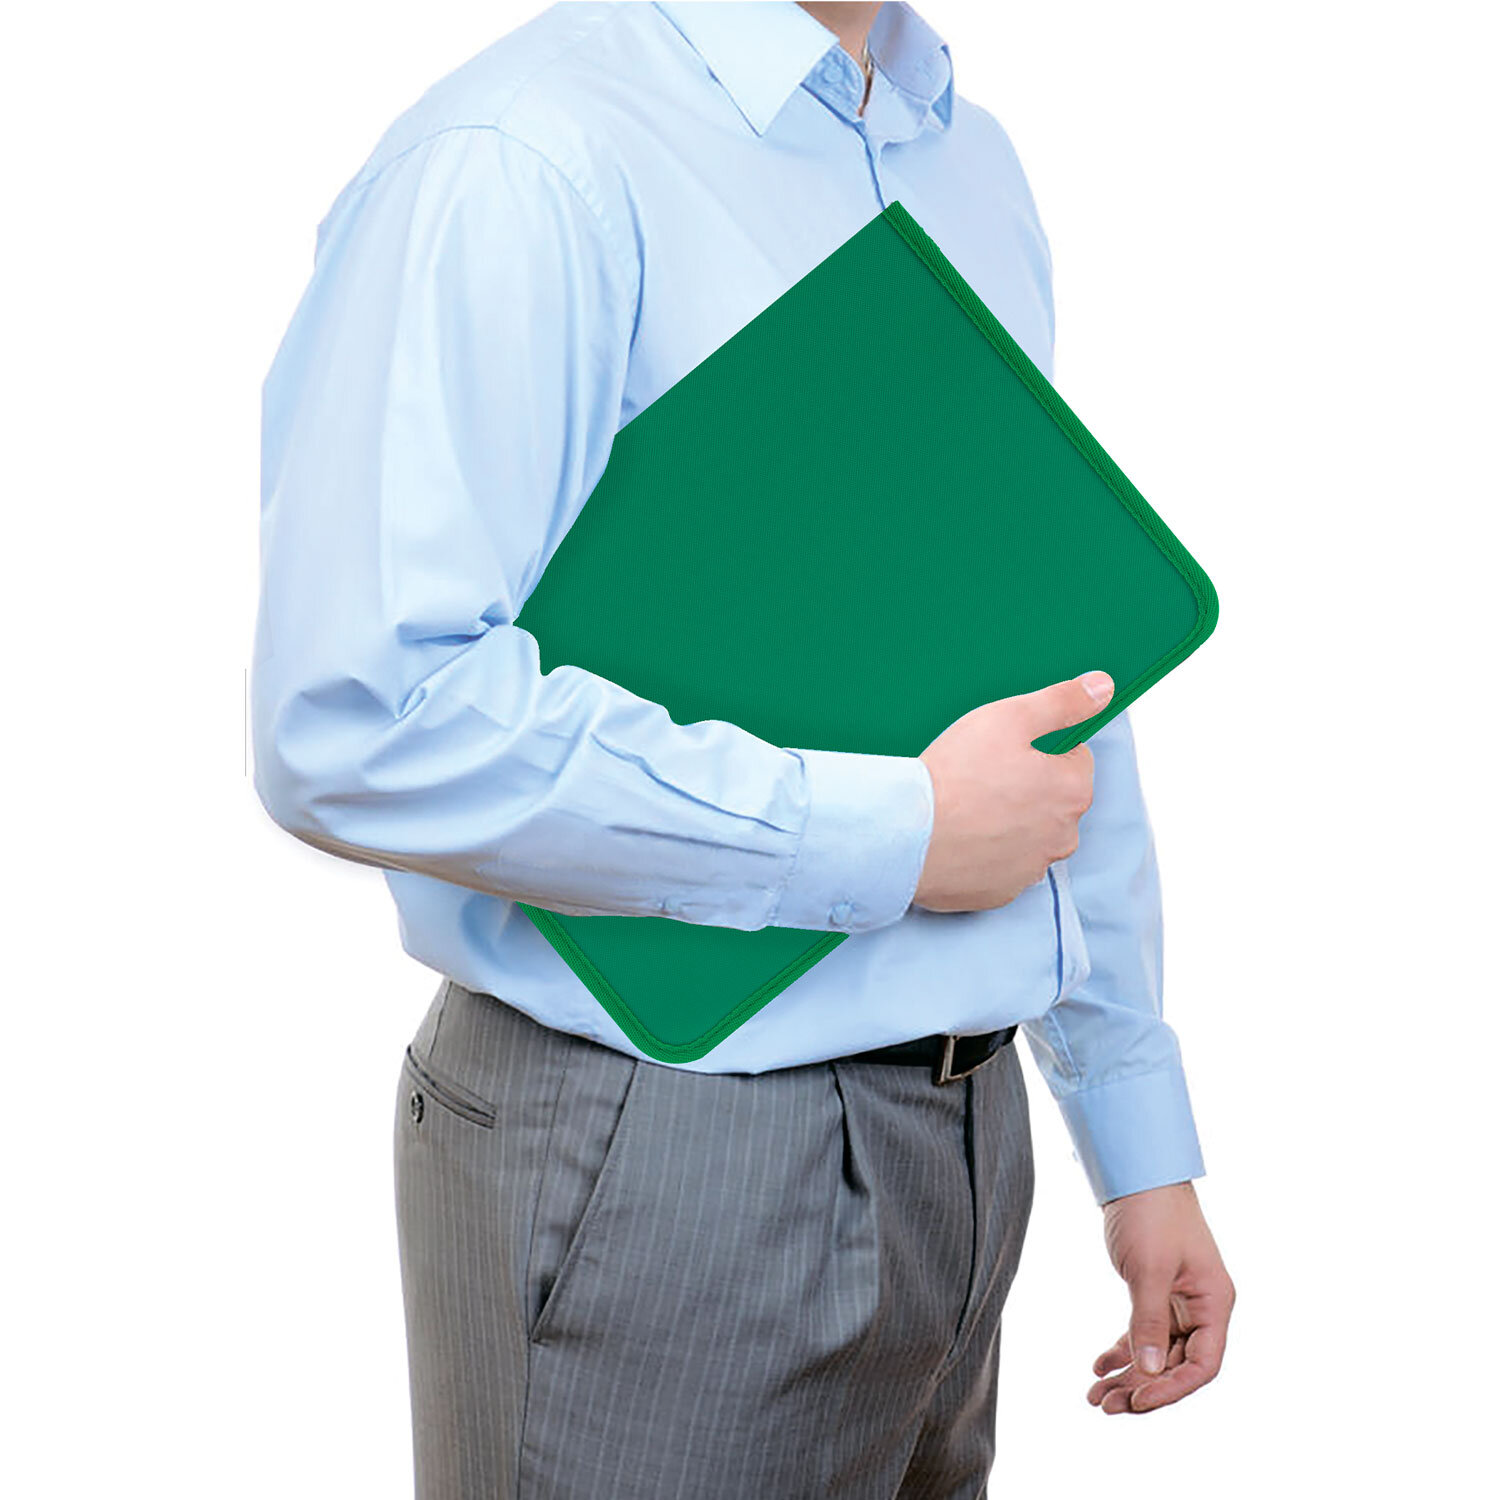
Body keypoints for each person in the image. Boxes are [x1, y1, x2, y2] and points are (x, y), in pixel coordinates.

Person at [252, 2, 1236, 1494]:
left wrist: (1132, 1121)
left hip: (968, 1143)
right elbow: (359, 716)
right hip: (663, 1142)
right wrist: (891, 835)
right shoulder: (523, 156)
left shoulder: (965, 160)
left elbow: (1044, 672)